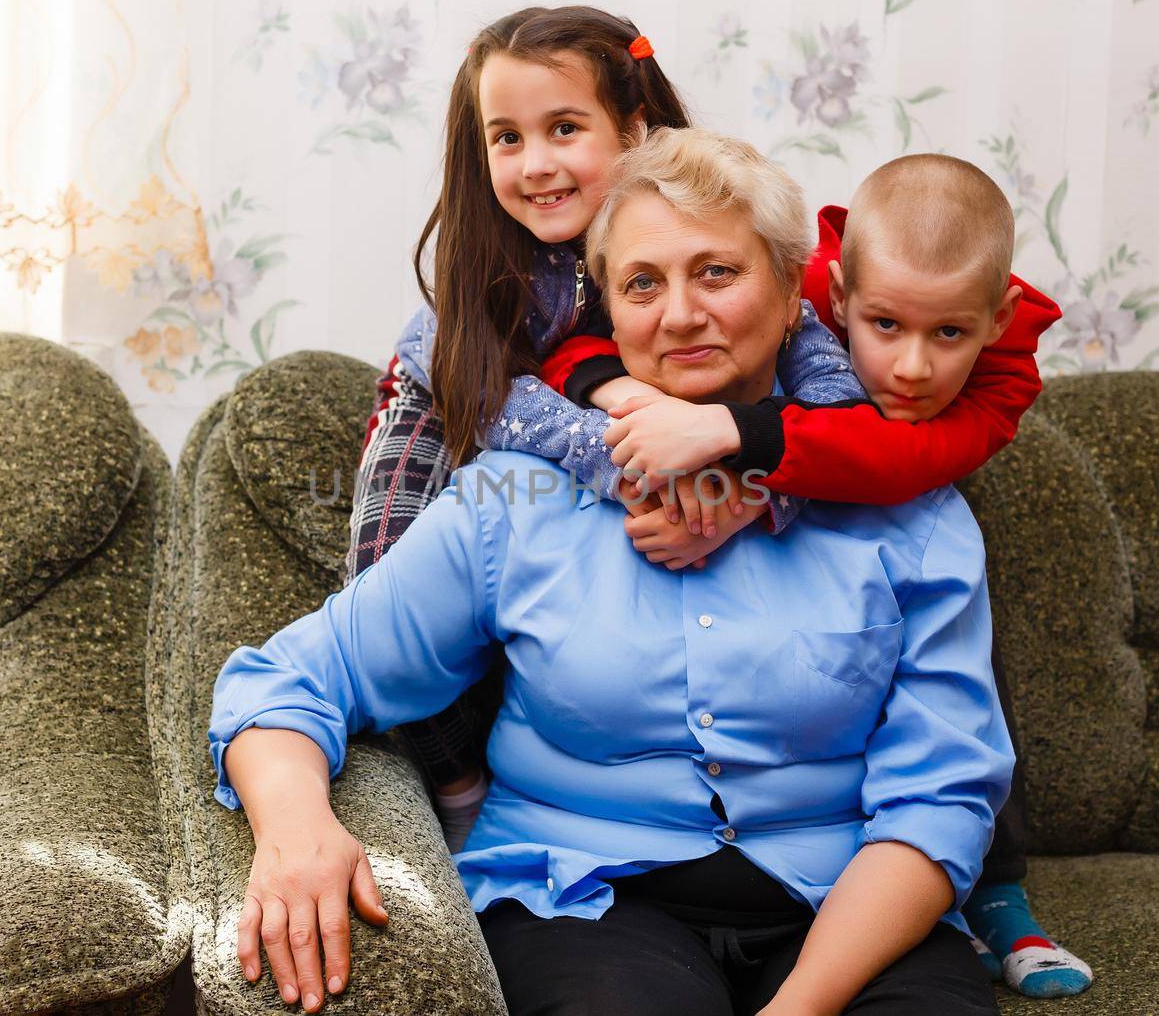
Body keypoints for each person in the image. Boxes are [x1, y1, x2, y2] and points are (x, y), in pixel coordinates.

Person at [211, 127, 1011, 1015]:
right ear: (611, 312)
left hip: (849, 901)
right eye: (642, 283)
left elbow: (939, 801)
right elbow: (287, 681)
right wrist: (295, 828)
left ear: (795, 297)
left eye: (716, 272)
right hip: (581, 895)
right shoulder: (515, 502)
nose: (678, 314)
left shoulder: (913, 514)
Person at [554, 153, 1091, 998]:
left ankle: (998, 885)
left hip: (895, 488)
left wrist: (748, 481)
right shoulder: (787, 297)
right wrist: (632, 402)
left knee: (969, 678)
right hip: (608, 895)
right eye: (885, 327)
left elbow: (898, 463)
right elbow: (579, 344)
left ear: (997, 319)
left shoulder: (999, 385)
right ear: (835, 299)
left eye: (947, 333)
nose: (911, 368)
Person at [345, 4, 862, 852]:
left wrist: (747, 486)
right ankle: (458, 780)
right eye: (506, 137)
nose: (535, 163)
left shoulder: (712, 240)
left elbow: (834, 414)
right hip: (452, 397)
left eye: (564, 128)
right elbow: (498, 399)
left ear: (636, 128)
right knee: (386, 572)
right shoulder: (490, 271)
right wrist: (617, 437)